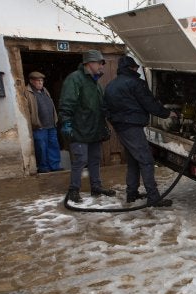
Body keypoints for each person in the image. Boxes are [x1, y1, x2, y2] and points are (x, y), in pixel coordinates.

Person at [103, 55, 176, 207]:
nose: (137, 69)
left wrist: (115, 121)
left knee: (133, 161)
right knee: (146, 160)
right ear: (132, 68)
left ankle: (132, 193)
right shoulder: (136, 83)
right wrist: (167, 113)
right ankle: (153, 198)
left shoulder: (111, 85)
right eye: (135, 67)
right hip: (132, 127)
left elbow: (105, 108)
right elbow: (149, 104)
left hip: (121, 127)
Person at [59, 50, 116, 203]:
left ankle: (96, 187)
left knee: (95, 159)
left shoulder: (95, 83)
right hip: (79, 128)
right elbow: (67, 103)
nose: (102, 67)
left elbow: (99, 107)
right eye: (99, 63)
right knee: (80, 159)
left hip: (94, 129)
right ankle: (73, 190)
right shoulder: (75, 79)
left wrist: (104, 124)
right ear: (89, 63)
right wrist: (67, 123)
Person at [24, 71, 62, 173]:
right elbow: (26, 110)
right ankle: (43, 167)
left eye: (42, 81)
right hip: (39, 126)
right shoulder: (27, 92)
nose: (41, 83)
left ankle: (55, 166)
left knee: (53, 145)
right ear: (31, 81)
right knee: (41, 147)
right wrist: (33, 123)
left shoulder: (45, 91)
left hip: (51, 125)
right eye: (38, 81)